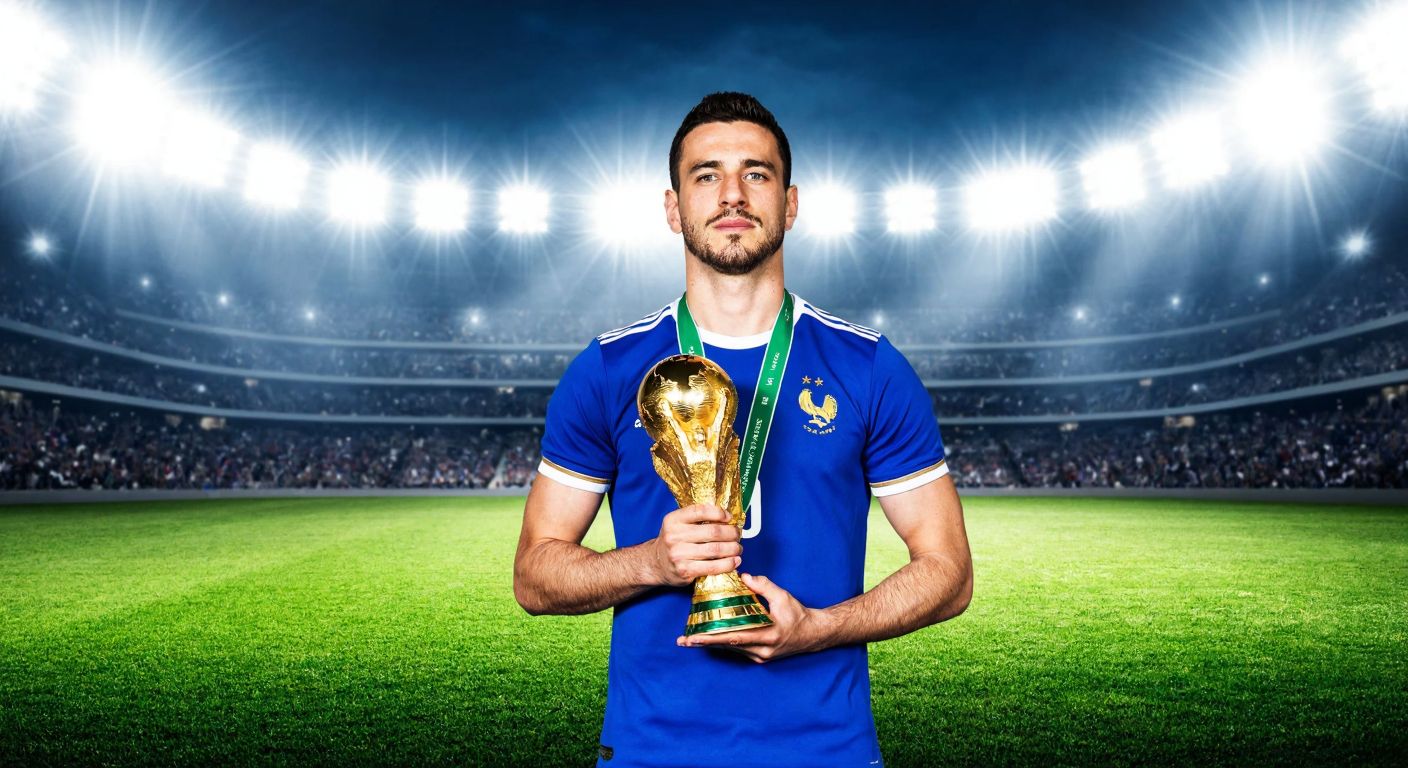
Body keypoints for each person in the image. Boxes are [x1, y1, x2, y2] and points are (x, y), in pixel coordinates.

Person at [514, 91, 973, 767]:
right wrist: (652, 562)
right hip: (653, 750)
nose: (732, 193)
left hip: (827, 750)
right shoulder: (608, 370)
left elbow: (949, 572)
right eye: (706, 175)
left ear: (790, 202)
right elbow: (534, 575)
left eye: (756, 173)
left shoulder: (868, 367)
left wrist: (818, 629)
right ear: (674, 209)